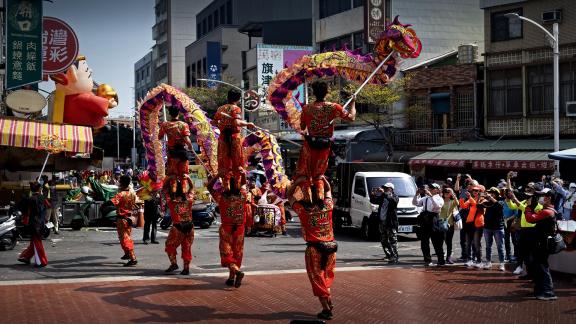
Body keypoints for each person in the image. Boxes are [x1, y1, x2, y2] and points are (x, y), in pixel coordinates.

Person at [294, 81, 356, 202]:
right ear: (327, 92)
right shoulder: (333, 107)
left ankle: (307, 200)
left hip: (309, 145)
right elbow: (351, 118)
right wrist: (353, 102)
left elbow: (302, 127)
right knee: (318, 176)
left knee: (305, 175)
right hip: (324, 146)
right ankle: (321, 200)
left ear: (313, 93)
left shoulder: (306, 108)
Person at [290, 177, 337, 320]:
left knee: (317, 279)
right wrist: (323, 179)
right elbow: (328, 190)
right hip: (330, 249)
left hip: (314, 250)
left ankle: (326, 309)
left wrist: (297, 183)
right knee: (326, 277)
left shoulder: (304, 210)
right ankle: (328, 301)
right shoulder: (328, 206)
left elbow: (289, 197)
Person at [211, 89, 255, 192]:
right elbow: (236, 122)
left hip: (223, 139)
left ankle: (226, 188)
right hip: (234, 138)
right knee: (237, 163)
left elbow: (213, 122)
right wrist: (248, 124)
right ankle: (237, 188)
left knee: (224, 163)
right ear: (238, 99)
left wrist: (221, 125)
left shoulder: (221, 109)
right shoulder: (236, 109)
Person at [208, 175, 247, 288]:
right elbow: (243, 184)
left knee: (226, 253)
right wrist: (242, 175)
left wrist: (218, 175)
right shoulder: (243, 195)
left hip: (227, 229)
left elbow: (210, 186)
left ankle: (236, 271)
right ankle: (231, 278)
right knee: (237, 253)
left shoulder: (222, 197)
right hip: (239, 228)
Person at [524, 188, 558, 300]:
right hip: (539, 243)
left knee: (543, 267)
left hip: (542, 244)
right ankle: (539, 290)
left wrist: (528, 207)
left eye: (543, 196)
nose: (540, 198)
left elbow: (530, 219)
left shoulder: (547, 211)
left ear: (549, 198)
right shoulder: (546, 209)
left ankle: (548, 292)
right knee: (538, 267)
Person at [506, 184, 542, 277]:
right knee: (523, 252)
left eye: (530, 192)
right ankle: (528, 272)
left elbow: (522, 207)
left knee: (531, 254)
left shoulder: (539, 206)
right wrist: (508, 199)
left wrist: (513, 197)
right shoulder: (525, 202)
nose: (527, 195)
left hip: (533, 231)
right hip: (523, 230)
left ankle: (533, 274)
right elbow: (513, 206)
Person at [164, 183, 195, 275]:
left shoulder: (171, 201)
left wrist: (170, 180)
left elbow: (165, 189)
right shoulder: (189, 200)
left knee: (169, 245)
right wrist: (188, 180)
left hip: (178, 227)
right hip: (190, 226)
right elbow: (192, 188)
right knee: (187, 247)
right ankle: (186, 268)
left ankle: (174, 263)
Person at [17, 182, 49, 267]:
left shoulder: (30, 199)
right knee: (34, 242)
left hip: (34, 223)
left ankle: (41, 261)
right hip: (41, 222)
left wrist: (24, 198)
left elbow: (23, 208)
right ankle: (25, 257)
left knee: (37, 243)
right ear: (39, 189)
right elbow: (47, 206)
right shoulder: (42, 198)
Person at [413, 183, 445, 266]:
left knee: (436, 241)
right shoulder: (425, 198)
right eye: (430, 187)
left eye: (432, 188)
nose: (430, 189)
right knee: (424, 241)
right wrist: (416, 195)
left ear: (437, 190)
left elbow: (437, 207)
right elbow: (415, 203)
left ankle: (441, 260)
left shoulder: (439, 198)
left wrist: (431, 196)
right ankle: (427, 260)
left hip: (433, 218)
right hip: (425, 218)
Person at [158, 105, 193, 181]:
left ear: (170, 114)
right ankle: (184, 191)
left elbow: (159, 137)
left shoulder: (165, 125)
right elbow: (187, 139)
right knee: (184, 175)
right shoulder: (183, 125)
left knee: (172, 176)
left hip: (172, 153)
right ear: (179, 113)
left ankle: (172, 191)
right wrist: (190, 147)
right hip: (182, 153)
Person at [111, 175, 139, 267]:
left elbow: (112, 202)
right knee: (125, 237)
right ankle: (127, 254)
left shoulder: (120, 194)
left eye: (119, 181)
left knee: (125, 239)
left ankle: (133, 258)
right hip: (129, 219)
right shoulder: (132, 193)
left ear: (122, 183)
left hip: (122, 219)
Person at [481, 187, 506, 271]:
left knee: (500, 247)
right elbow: (478, 206)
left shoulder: (501, 201)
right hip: (487, 227)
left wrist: (490, 198)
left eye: (492, 193)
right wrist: (480, 198)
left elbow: (499, 206)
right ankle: (488, 262)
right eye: (489, 192)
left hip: (498, 227)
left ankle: (502, 263)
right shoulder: (487, 201)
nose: (490, 194)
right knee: (488, 246)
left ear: (496, 194)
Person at [461, 184, 485, 268]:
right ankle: (469, 259)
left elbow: (476, 205)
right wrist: (462, 197)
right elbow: (463, 206)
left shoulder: (483, 199)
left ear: (480, 192)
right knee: (468, 243)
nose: (474, 192)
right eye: (473, 190)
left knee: (477, 243)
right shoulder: (471, 199)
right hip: (469, 223)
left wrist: (470, 197)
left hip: (478, 224)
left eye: (477, 191)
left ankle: (479, 261)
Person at [376, 183, 399, 263]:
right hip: (382, 222)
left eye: (386, 188)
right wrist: (374, 194)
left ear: (391, 189)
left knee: (393, 241)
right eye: (384, 188)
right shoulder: (383, 196)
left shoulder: (394, 197)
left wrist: (385, 194)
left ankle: (395, 257)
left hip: (390, 222)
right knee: (384, 240)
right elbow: (374, 200)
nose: (384, 189)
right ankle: (389, 256)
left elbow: (394, 202)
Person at [439, 187, 459, 264]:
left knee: (449, 241)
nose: (447, 194)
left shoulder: (452, 201)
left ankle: (448, 257)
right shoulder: (440, 201)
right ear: (443, 194)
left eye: (448, 193)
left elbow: (457, 203)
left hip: (450, 224)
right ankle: (440, 257)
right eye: (445, 193)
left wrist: (453, 193)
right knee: (441, 241)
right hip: (441, 223)